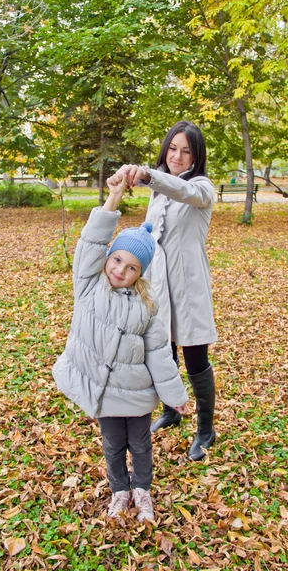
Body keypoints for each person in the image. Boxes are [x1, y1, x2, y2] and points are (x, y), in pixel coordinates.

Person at [52, 175, 188, 522]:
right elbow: (90, 242)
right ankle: (119, 491)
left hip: (137, 393)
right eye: (117, 261)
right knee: (113, 446)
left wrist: (174, 393)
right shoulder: (88, 284)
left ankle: (142, 490)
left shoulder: (147, 304)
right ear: (108, 258)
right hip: (105, 394)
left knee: (140, 445)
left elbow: (159, 352)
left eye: (131, 268)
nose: (120, 270)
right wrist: (113, 198)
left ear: (140, 273)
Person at [113, 120, 218, 461]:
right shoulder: (158, 192)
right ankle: (172, 410)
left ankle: (206, 430)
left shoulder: (203, 188)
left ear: (196, 156)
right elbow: (150, 234)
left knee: (195, 358)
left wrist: (147, 174)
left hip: (188, 288)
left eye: (186, 151)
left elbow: (183, 191)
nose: (177, 155)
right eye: (173, 148)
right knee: (164, 351)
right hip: (158, 286)